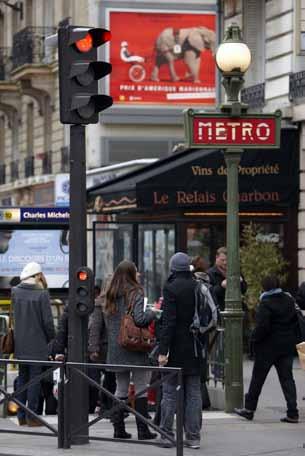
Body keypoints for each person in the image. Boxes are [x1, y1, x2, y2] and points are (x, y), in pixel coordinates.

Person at [104, 260, 158, 440]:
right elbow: (141, 319)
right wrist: (154, 312)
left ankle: (118, 430)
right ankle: (143, 430)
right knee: (141, 387)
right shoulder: (136, 292)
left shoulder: (110, 293)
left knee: (121, 388)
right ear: (131, 273)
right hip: (134, 346)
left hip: (117, 348)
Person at [234, 275, 299, 423]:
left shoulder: (266, 302)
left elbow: (263, 326)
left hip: (267, 348)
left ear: (264, 287)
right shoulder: (289, 299)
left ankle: (249, 409)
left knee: (258, 378)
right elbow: (295, 321)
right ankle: (293, 412)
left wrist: (253, 338)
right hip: (286, 346)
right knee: (287, 379)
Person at [158, 252, 204, 450]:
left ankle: (167, 435)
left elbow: (169, 322)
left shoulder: (171, 288)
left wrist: (163, 350)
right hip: (195, 347)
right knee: (194, 393)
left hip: (176, 347)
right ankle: (193, 437)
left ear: (173, 268)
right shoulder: (198, 286)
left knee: (169, 393)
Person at [13, 262, 55, 426]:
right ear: (37, 275)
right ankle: (32, 416)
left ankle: (21, 415)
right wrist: (51, 338)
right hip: (38, 345)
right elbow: (48, 323)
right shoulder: (42, 294)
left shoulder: (15, 291)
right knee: (35, 380)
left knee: (23, 378)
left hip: (20, 344)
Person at [208, 246, 247, 312]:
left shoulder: (235, 271)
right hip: (219, 310)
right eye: (222, 260)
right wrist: (222, 286)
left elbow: (244, 290)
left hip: (236, 309)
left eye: (227, 260)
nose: (225, 262)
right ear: (216, 258)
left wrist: (241, 282)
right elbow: (209, 293)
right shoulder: (210, 273)